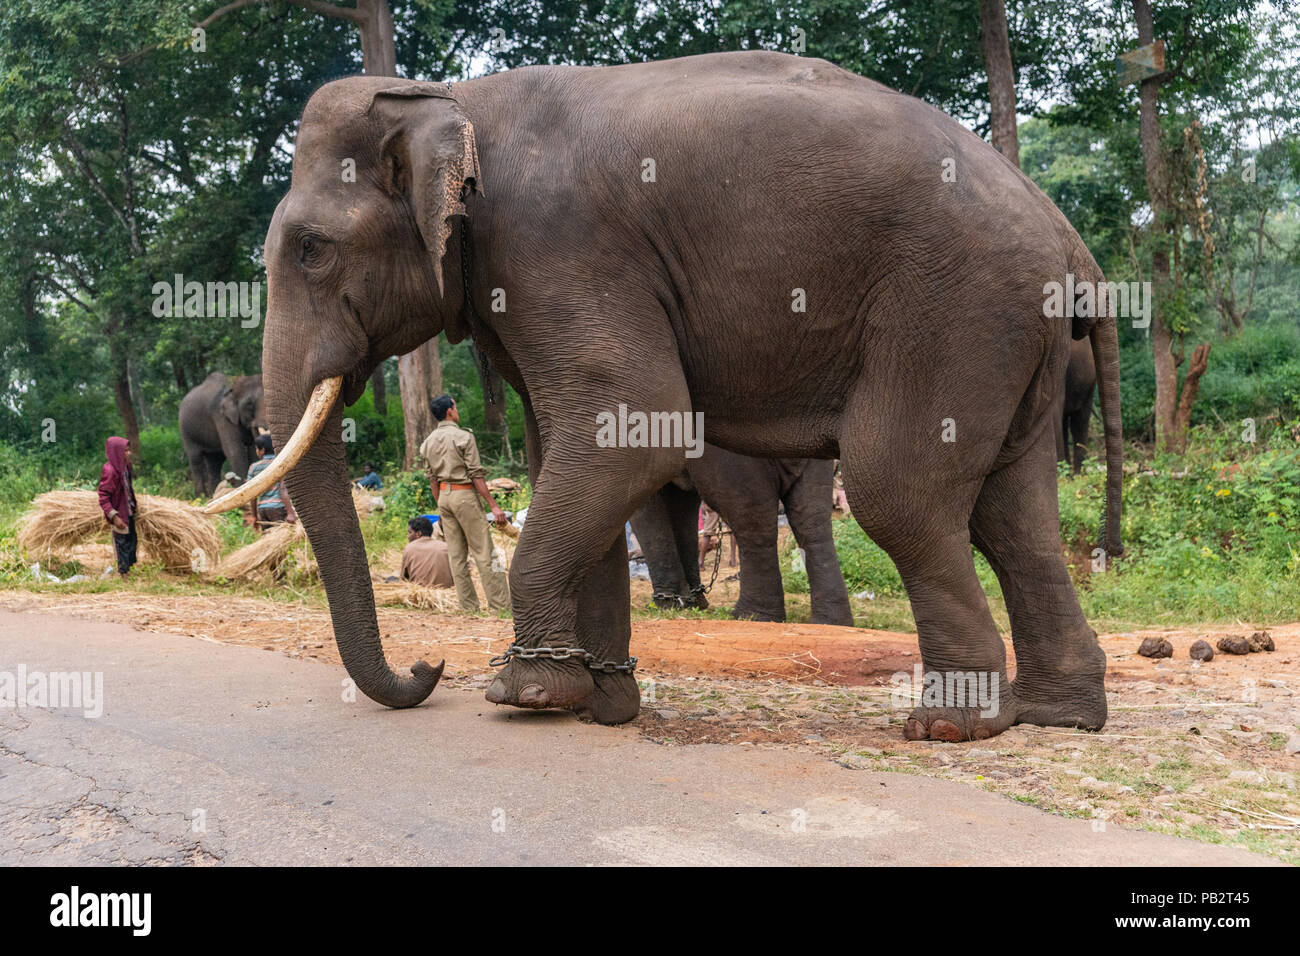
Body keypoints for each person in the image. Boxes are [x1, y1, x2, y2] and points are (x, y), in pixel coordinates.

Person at [419, 394, 511, 612]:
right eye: (456, 406)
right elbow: (476, 475)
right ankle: (501, 606)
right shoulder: (463, 437)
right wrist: (493, 505)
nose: (457, 410)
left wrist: (440, 505)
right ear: (450, 411)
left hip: (444, 498)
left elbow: (432, 479)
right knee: (484, 552)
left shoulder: (427, 443)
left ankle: (469, 608)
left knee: (456, 555)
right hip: (464, 496)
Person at [97, 436, 138, 581]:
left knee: (132, 543)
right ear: (117, 452)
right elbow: (103, 496)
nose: (129, 453)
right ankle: (124, 575)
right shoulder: (110, 471)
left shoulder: (126, 467)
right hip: (119, 515)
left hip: (128, 512)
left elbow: (127, 489)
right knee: (121, 545)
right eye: (125, 451)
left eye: (129, 450)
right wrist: (114, 516)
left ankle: (129, 571)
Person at [246, 433, 296, 532]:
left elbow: (252, 494)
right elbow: (283, 489)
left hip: (262, 509)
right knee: (282, 540)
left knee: (269, 540)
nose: (256, 451)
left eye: (257, 448)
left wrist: (254, 516)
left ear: (262, 450)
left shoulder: (253, 468)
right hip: (278, 508)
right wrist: (290, 512)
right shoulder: (279, 463)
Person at [400, 516, 455, 589]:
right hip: (447, 591)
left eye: (410, 532)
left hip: (420, 592)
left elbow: (404, 578)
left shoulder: (409, 548)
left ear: (418, 534)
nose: (408, 536)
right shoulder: (446, 547)